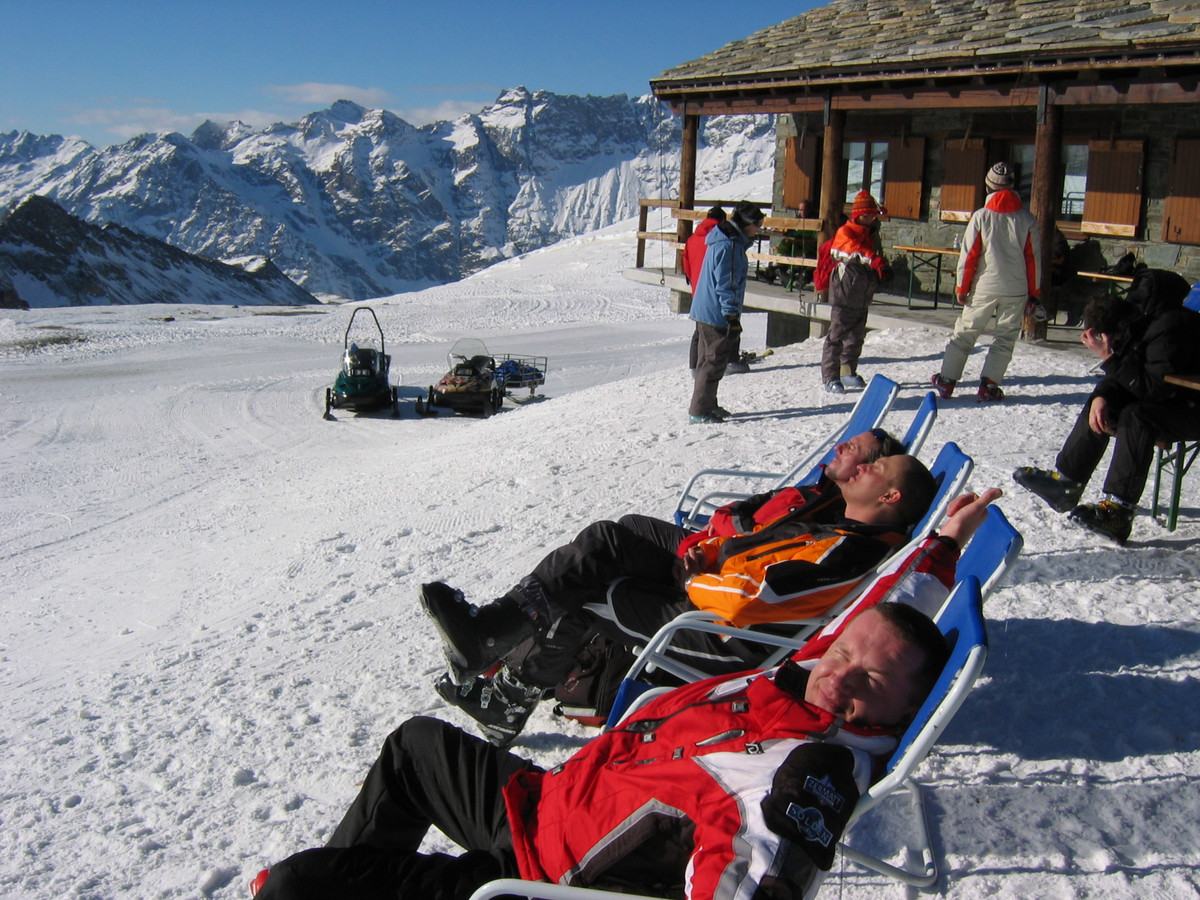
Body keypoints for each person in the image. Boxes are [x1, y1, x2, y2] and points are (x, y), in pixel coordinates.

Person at [249, 601, 952, 900]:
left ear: (903, 711)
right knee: (415, 747)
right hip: (546, 805)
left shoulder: (805, 768)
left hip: (542, 881)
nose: (841, 673)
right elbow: (887, 604)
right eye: (845, 650)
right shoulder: (804, 680)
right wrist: (945, 542)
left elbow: (762, 875)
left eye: (871, 679)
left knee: (295, 888)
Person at [421, 453, 942, 745]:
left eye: (876, 468)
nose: (861, 466)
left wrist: (695, 578)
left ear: (889, 497)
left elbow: (750, 600)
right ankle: (495, 636)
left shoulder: (848, 549)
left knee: (587, 590)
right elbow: (756, 557)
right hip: (715, 593)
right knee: (612, 538)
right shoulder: (845, 530)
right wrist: (707, 554)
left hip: (720, 635)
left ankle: (505, 686)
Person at [1013, 268, 1200, 543]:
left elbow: (1152, 390)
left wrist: (1109, 359)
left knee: (1137, 415)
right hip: (1175, 400)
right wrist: (1103, 393)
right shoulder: (1150, 320)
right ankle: (1066, 483)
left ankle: (1119, 513)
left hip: (1191, 407)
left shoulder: (1173, 327)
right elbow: (1133, 371)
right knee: (1103, 404)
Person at [931, 161, 1041, 402]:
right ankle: (989, 385)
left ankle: (947, 379)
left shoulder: (981, 216)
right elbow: (1033, 259)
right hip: (1016, 288)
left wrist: (962, 286)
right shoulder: (1026, 219)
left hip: (984, 286)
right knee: (1005, 338)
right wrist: (1034, 292)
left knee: (966, 333)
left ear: (988, 186)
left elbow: (969, 255)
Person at [688, 199, 764, 424]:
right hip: (716, 312)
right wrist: (731, 314)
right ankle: (700, 410)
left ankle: (708, 404)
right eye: (758, 224)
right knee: (713, 362)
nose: (759, 229)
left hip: (706, 308)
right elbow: (726, 282)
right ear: (747, 223)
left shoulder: (725, 240)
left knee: (707, 360)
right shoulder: (730, 245)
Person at [822, 191, 889, 393]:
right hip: (845, 290)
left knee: (857, 335)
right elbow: (854, 250)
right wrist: (875, 261)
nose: (870, 219)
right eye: (866, 216)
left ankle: (847, 371)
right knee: (837, 335)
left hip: (862, 291)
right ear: (858, 215)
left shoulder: (870, 233)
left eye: (873, 216)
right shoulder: (845, 232)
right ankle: (830, 377)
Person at [682, 206, 732, 372]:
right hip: (712, 288)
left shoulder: (693, 238)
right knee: (716, 329)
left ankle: (694, 365)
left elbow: (686, 264)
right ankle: (717, 365)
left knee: (699, 329)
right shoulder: (718, 239)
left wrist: (693, 280)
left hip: (697, 288)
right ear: (722, 220)